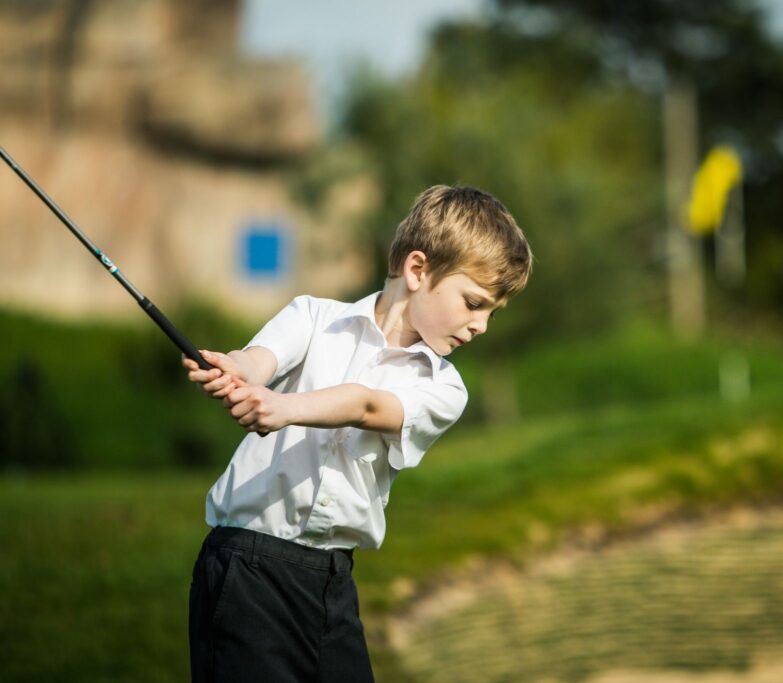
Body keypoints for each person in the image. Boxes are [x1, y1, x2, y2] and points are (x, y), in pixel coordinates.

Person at [182, 185, 533, 682]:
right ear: (417, 270)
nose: (481, 326)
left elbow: (367, 405)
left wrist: (283, 408)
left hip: (329, 584)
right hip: (246, 568)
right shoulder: (312, 316)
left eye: (490, 313)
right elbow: (260, 360)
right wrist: (233, 367)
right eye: (473, 302)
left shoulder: (443, 387)